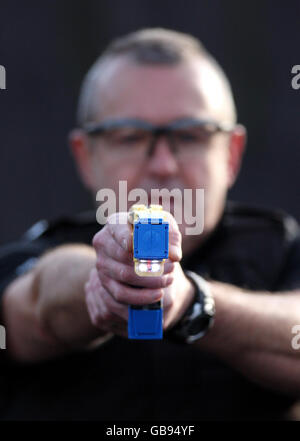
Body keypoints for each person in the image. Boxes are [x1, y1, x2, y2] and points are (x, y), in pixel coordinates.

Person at [0, 28, 300, 421]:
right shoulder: (38, 250)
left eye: (191, 135)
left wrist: (194, 302)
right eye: (130, 137)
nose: (162, 165)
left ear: (231, 154)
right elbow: (35, 304)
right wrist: (105, 279)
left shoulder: (281, 250)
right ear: (86, 156)